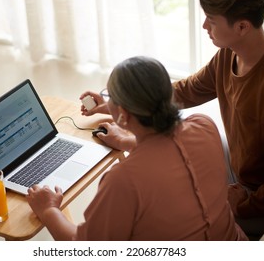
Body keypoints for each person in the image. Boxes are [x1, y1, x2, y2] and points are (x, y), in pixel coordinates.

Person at [81, 0, 264, 238]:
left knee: (170, 218)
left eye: (211, 20)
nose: (204, 26)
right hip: (242, 171)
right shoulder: (229, 54)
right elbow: (184, 92)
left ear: (242, 26)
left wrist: (243, 203)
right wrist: (116, 103)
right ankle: (130, 142)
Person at [27, 56, 247, 240]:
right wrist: (125, 141)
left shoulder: (122, 181)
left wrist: (48, 210)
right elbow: (174, 151)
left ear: (123, 114)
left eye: (109, 96)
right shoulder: (203, 125)